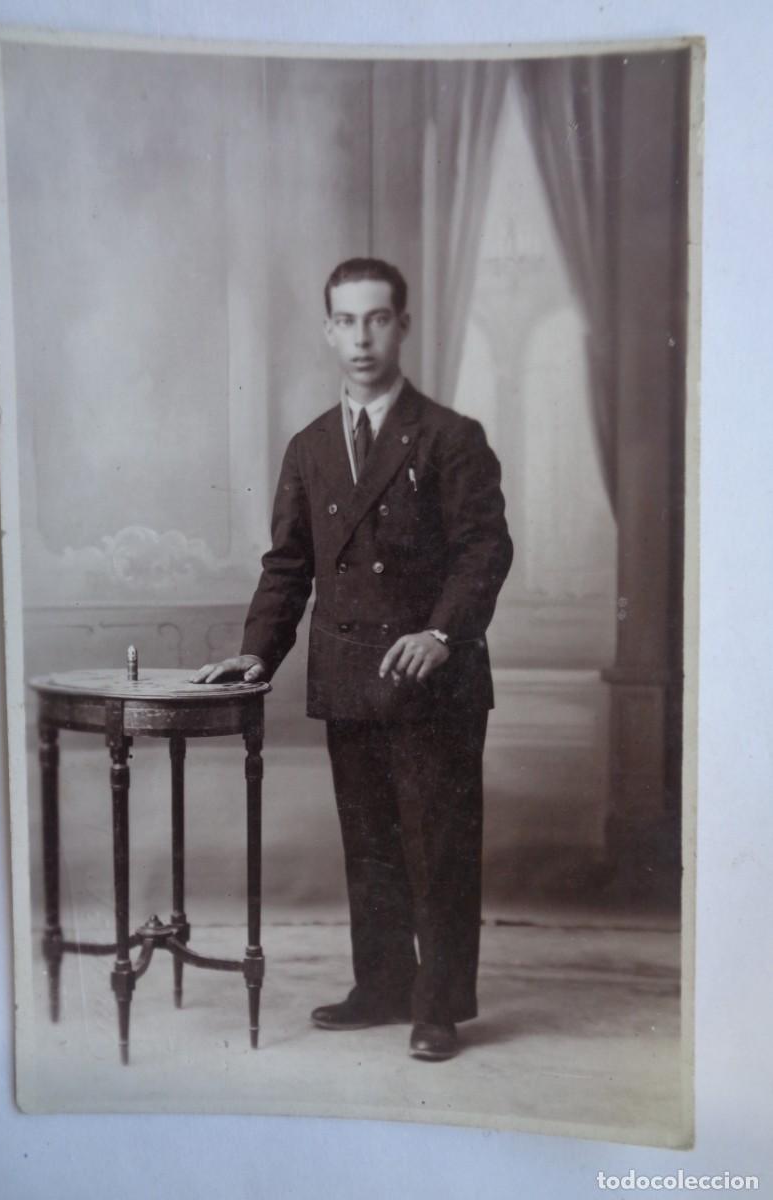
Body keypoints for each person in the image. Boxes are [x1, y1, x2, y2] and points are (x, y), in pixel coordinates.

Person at [192, 258, 512, 1061]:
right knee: (368, 843)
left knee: (436, 847)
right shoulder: (308, 446)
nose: (362, 337)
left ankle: (437, 1005)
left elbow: (485, 551)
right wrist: (254, 652)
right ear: (329, 328)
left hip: (431, 680)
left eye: (378, 319)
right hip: (347, 675)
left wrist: (442, 634)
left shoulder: (451, 438)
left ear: (403, 324)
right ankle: (380, 986)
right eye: (347, 320)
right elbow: (288, 566)